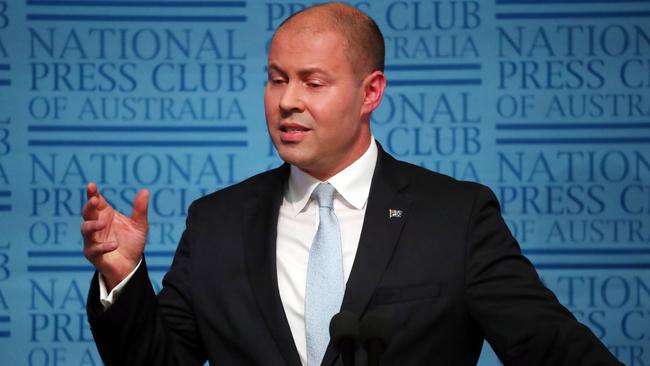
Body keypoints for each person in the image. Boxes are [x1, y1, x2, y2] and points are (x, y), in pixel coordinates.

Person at [82, 3, 622, 365]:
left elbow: (554, 349)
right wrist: (124, 278)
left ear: (370, 93)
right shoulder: (217, 220)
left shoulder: (456, 217)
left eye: (312, 82)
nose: (288, 100)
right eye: (276, 80)